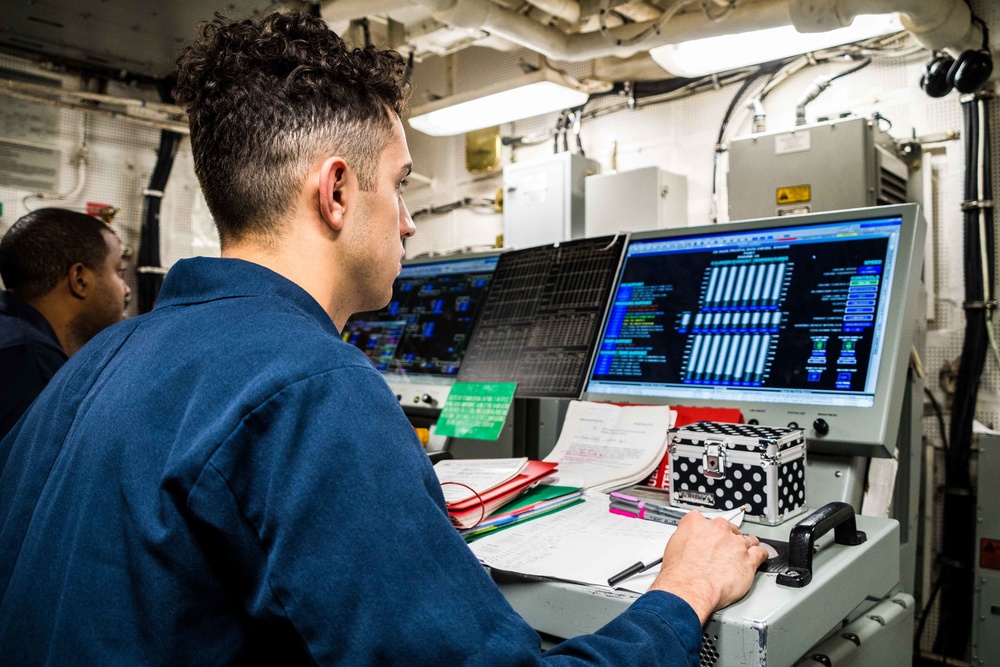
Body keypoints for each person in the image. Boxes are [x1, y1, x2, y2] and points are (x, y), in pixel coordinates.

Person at [0, 12, 766, 665]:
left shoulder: (93, 363)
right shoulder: (308, 386)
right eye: (399, 183)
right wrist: (683, 590)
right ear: (335, 191)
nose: (406, 220)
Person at [0, 207, 130, 441]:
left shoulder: (12, 335)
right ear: (79, 279)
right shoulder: (28, 361)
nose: (126, 289)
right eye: (120, 272)